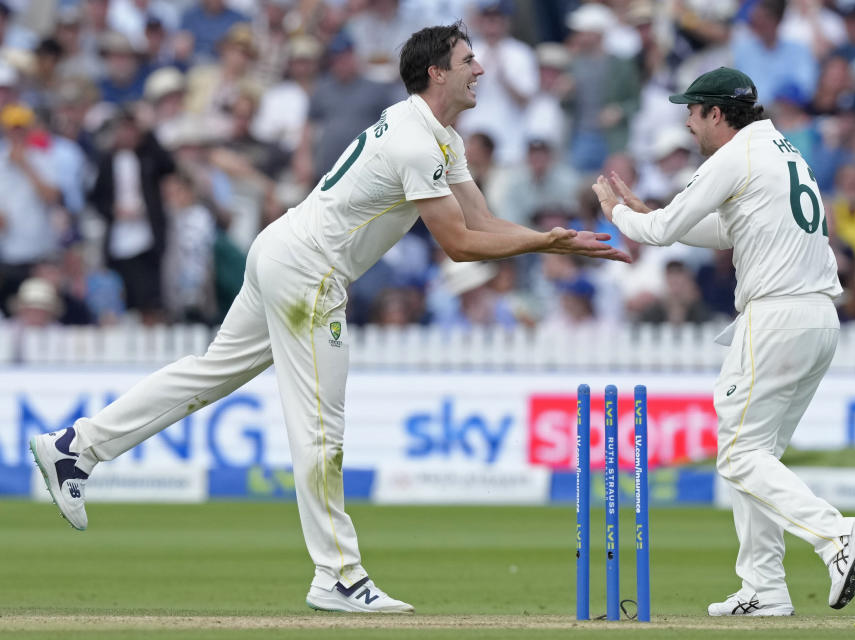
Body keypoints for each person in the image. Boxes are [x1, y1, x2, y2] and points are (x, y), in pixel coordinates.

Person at [29, 22, 628, 615]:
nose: (481, 69)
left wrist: (550, 240)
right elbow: (460, 245)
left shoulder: (443, 137)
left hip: (283, 249)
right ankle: (338, 575)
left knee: (209, 374)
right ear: (437, 71)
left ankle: (74, 447)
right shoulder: (417, 141)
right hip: (309, 273)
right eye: (469, 59)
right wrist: (542, 244)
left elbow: (482, 220)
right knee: (320, 428)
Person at [592, 67, 855, 616]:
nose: (688, 125)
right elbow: (729, 229)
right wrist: (654, 214)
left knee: (739, 454)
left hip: (774, 319)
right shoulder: (781, 150)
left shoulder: (735, 155)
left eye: (692, 113)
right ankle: (765, 587)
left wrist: (619, 214)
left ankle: (834, 534)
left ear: (716, 114)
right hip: (817, 318)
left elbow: (658, 234)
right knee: (757, 455)